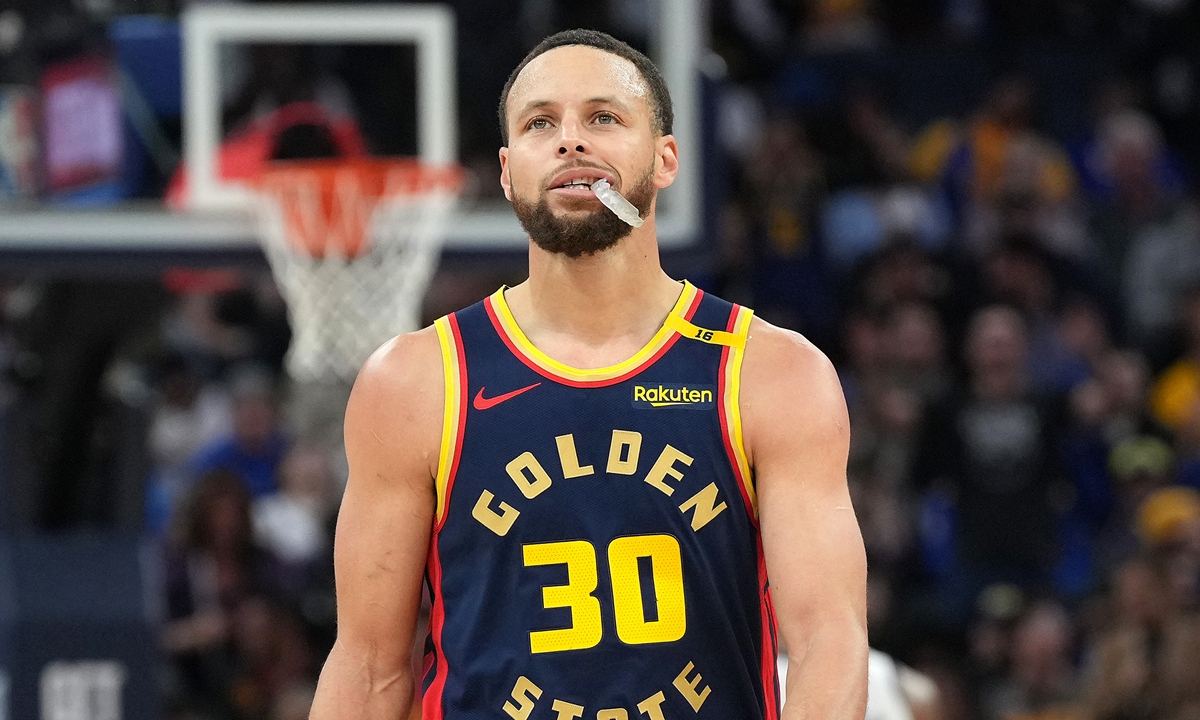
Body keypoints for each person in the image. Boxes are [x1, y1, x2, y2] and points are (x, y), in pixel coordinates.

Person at [309, 29, 867, 719]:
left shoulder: (769, 371)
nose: (571, 140)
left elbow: (827, 641)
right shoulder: (418, 380)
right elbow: (368, 668)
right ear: (509, 172)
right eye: (541, 123)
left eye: (603, 117)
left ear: (665, 160)